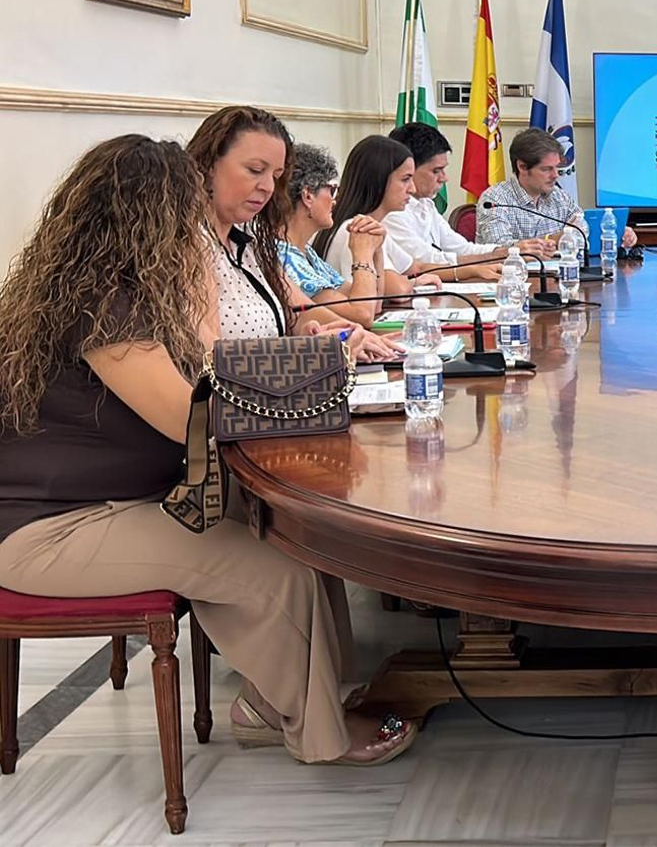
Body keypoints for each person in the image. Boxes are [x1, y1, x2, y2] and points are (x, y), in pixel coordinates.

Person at [0, 134, 416, 767]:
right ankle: (318, 732)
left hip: (119, 502)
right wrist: (315, 378)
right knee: (275, 571)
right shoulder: (104, 306)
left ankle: (282, 700)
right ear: (153, 218)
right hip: (50, 529)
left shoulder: (124, 289)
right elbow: (185, 414)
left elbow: (211, 371)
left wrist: (312, 364)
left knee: (299, 532)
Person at [187, 106, 397, 361]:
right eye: (255, 170)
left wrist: (343, 334)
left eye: (276, 177)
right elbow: (211, 356)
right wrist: (303, 353)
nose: (267, 187)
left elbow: (299, 311)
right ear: (209, 166)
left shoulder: (250, 244)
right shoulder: (191, 245)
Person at [385, 122, 542, 277]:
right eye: (436, 171)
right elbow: (427, 262)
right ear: (409, 168)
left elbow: (462, 248)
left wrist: (510, 251)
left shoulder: (426, 204)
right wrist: (499, 255)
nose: (444, 178)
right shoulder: (391, 212)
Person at [314, 136, 446, 298]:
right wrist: (414, 283)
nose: (412, 189)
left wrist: (473, 269)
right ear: (378, 180)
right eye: (405, 179)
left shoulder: (373, 223)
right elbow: (395, 288)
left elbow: (415, 268)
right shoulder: (358, 227)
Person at [476, 127, 637, 254]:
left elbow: (583, 226)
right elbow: (499, 250)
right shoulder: (494, 200)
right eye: (546, 169)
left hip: (559, 280)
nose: (555, 176)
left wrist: (617, 231)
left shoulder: (559, 196)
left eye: (557, 168)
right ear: (522, 167)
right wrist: (553, 239)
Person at [278, 144, 387, 327]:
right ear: (308, 196)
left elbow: (374, 305)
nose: (335, 200)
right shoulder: (284, 256)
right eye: (332, 190)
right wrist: (362, 254)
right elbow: (362, 315)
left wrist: (377, 251)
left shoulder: (305, 252)